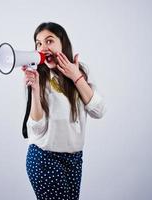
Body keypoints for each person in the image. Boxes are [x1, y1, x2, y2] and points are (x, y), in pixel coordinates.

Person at [22, 22, 107, 200]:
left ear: (63, 43)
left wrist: (76, 76)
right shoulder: (38, 77)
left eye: (49, 41)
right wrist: (35, 91)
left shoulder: (80, 72)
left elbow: (99, 111)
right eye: (38, 43)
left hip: (74, 160)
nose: (43, 48)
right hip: (44, 159)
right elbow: (36, 129)